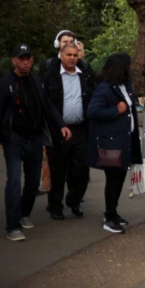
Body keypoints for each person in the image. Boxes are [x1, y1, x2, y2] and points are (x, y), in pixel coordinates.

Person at [0, 44, 71, 241]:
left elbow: (47, 105)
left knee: (32, 182)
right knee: (14, 181)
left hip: (36, 138)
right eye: (21, 58)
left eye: (28, 58)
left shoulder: (36, 80)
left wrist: (61, 125)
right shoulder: (6, 83)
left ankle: (23, 213)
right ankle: (12, 226)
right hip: (14, 140)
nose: (25, 62)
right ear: (14, 60)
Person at [87, 53, 142, 233]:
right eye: (128, 65)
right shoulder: (105, 88)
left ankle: (112, 212)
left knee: (119, 179)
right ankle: (109, 216)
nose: (131, 68)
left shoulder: (124, 86)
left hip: (125, 139)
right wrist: (115, 110)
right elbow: (93, 111)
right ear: (121, 68)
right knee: (113, 180)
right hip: (112, 142)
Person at [41, 43, 92, 220]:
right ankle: (55, 205)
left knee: (81, 169)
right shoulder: (50, 76)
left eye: (75, 55)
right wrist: (58, 124)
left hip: (80, 129)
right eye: (68, 54)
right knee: (57, 170)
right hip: (58, 130)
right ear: (61, 55)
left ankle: (74, 200)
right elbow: (47, 105)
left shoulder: (85, 76)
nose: (72, 58)